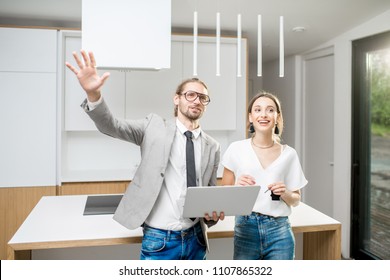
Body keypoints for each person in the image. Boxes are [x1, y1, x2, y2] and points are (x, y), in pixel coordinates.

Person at [66, 50, 224, 260]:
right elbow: (111, 125)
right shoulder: (153, 126)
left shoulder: (212, 146)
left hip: (196, 240)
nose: (197, 100)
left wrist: (212, 214)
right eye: (190, 95)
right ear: (177, 99)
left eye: (203, 98)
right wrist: (93, 95)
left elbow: (209, 194)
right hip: (159, 239)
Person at [221, 91, 308, 260]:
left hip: (280, 231)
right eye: (258, 110)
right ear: (250, 117)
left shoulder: (289, 154)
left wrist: (285, 193)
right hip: (246, 227)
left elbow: (296, 199)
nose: (263, 114)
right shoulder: (236, 149)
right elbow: (224, 195)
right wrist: (236, 188)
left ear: (277, 117)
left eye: (270, 110)